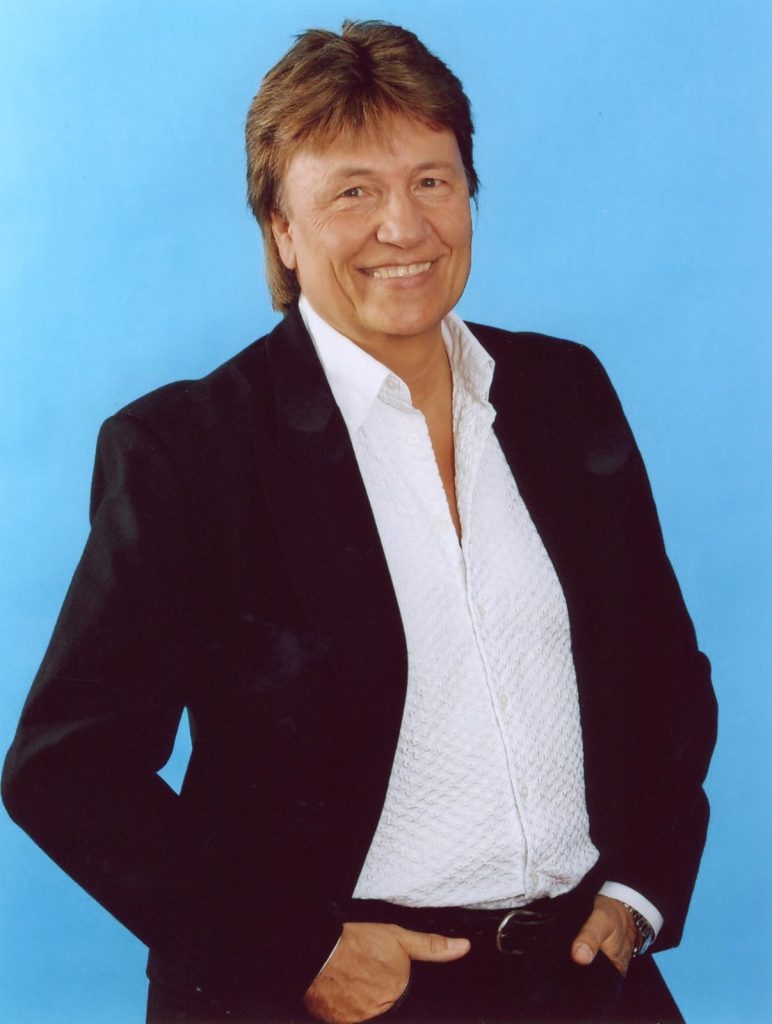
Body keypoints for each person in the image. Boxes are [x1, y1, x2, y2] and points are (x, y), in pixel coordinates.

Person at [2, 19, 716, 1024]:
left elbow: (663, 671)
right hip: (335, 994)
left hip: (582, 977)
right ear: (282, 230)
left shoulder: (562, 392)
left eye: (431, 180)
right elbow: (67, 767)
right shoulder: (191, 451)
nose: (403, 227)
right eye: (352, 192)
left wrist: (640, 887)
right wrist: (294, 953)